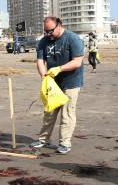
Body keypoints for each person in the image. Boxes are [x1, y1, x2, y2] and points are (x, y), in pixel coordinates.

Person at [30, 16, 84, 155]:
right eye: (46, 31)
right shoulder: (44, 41)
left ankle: (64, 143)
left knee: (67, 113)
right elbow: (40, 61)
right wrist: (44, 77)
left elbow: (77, 61)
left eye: (51, 31)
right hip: (52, 83)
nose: (48, 34)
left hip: (71, 82)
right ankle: (43, 139)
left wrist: (59, 69)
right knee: (49, 112)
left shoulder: (72, 39)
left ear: (59, 25)